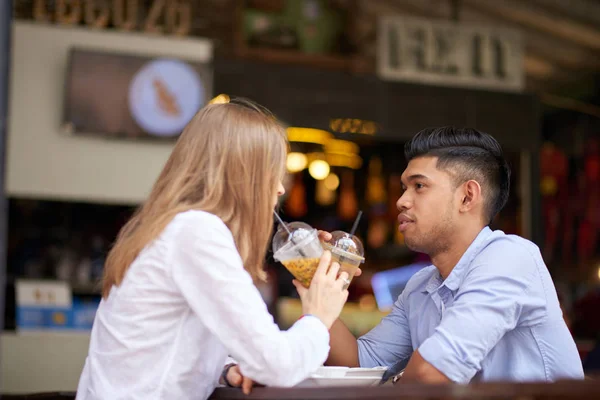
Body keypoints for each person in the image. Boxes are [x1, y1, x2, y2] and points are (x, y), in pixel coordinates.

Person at [75, 97, 351, 400]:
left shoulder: (169, 228)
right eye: (272, 172)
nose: (280, 188)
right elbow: (279, 365)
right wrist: (318, 317)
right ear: (244, 175)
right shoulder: (196, 232)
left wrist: (227, 369)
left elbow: (164, 344)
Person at [321, 127, 584, 383]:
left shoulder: (510, 257)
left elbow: (433, 372)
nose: (401, 201)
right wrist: (312, 274)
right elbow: (359, 362)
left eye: (419, 186)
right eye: (404, 188)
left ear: (467, 197)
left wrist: (394, 382)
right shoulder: (420, 287)